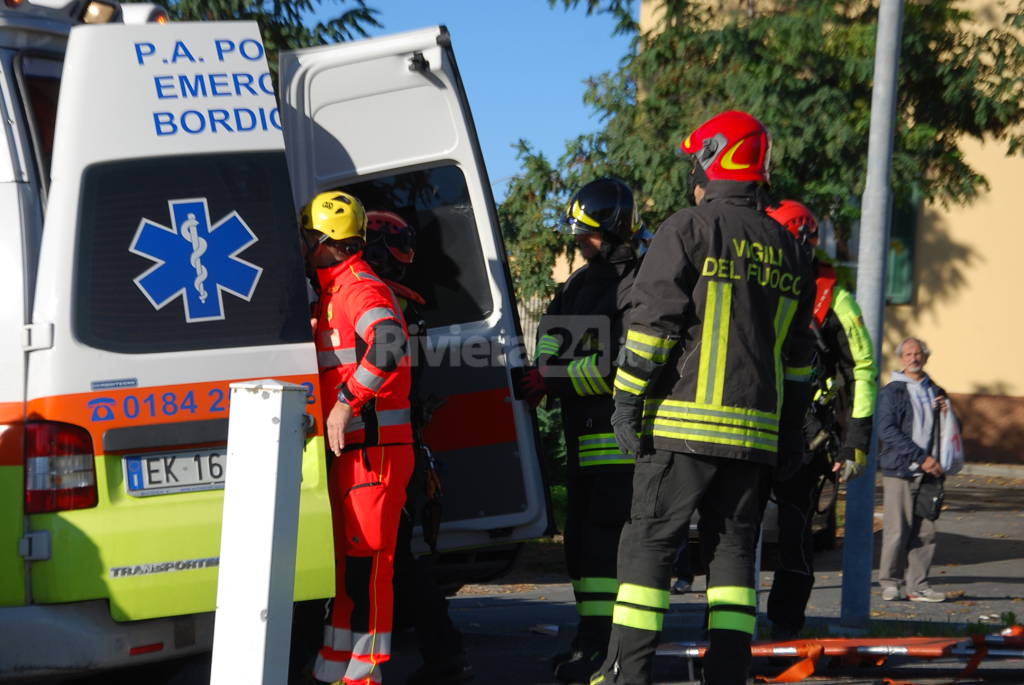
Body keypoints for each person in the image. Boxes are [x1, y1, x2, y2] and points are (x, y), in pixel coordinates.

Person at [589, 110, 816, 685]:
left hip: (681, 432)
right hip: (756, 443)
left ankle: (625, 675)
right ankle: (728, 677)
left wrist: (625, 403)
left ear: (716, 159)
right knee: (734, 563)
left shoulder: (687, 228)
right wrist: (790, 435)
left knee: (648, 547)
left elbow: (650, 329)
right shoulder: (790, 249)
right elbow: (798, 363)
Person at [525, 177, 642, 683]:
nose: (579, 242)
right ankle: (591, 638)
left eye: (587, 234)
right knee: (583, 548)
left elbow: (623, 366)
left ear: (615, 230)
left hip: (619, 445)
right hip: (583, 440)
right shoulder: (579, 282)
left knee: (610, 549)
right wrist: (542, 369)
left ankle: (613, 646)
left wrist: (553, 377)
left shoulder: (638, 284)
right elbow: (552, 334)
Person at [301, 190, 416, 685]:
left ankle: (365, 675)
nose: (303, 246)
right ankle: (334, 670)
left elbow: (389, 341)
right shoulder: (334, 292)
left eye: (307, 236)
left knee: (369, 571)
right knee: (348, 573)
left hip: (375, 457)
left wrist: (347, 402)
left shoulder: (357, 288)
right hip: (357, 455)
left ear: (325, 241)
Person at [362, 210, 473, 685]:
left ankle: (444, 656)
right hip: (401, 442)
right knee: (399, 560)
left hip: (383, 448)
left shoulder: (382, 303)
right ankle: (441, 653)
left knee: (396, 562)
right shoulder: (402, 303)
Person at [763, 200, 877, 640]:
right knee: (732, 536)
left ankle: (784, 630)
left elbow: (862, 369)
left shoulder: (836, 300)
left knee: (794, 537)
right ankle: (724, 632)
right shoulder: (754, 282)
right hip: (747, 428)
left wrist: (856, 442)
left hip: (806, 440)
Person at [877, 337, 949, 603]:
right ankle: (890, 582)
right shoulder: (892, 391)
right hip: (900, 469)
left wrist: (947, 412)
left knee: (926, 532)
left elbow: (950, 431)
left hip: (931, 473)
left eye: (918, 354)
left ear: (926, 357)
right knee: (897, 530)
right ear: (901, 359)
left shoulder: (936, 390)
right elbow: (887, 431)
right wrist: (921, 458)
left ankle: (918, 585)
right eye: (908, 354)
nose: (913, 358)